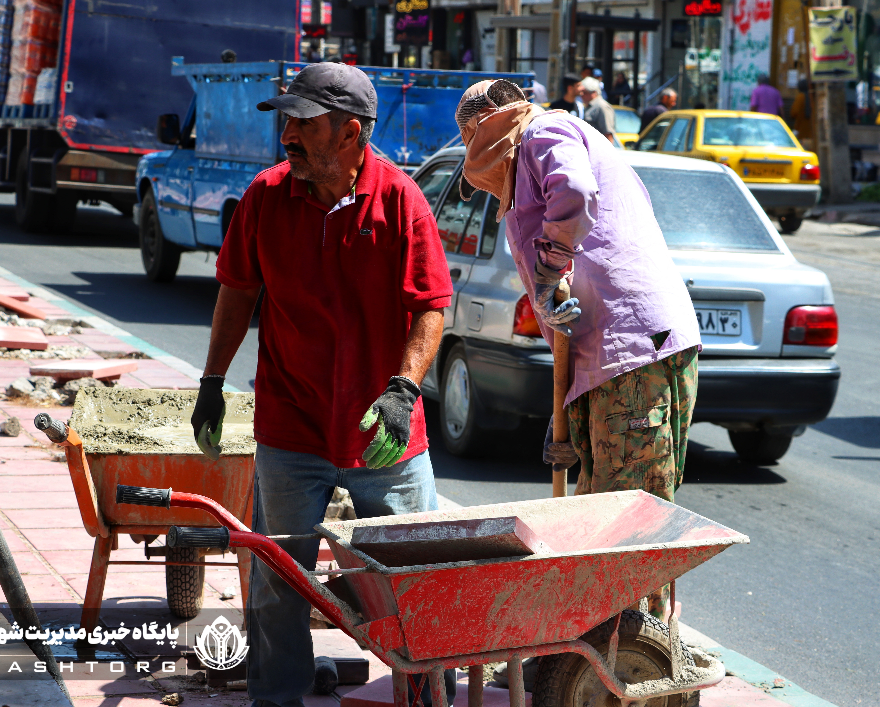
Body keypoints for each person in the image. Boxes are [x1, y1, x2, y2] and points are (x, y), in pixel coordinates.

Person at [191, 62, 454, 707]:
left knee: (410, 579)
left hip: (382, 435)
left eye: (305, 122)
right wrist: (212, 379)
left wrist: (403, 390)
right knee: (280, 575)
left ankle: (424, 697)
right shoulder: (265, 197)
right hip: (291, 423)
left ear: (351, 132)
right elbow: (237, 292)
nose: (289, 135)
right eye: (288, 120)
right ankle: (276, 698)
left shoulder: (400, 201)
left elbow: (431, 306)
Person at [452, 79, 700, 619]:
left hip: (635, 348)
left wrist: (550, 264)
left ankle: (630, 646)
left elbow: (575, 195)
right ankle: (599, 636)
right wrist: (567, 410)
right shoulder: (537, 148)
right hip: (608, 357)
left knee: (626, 517)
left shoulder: (545, 131)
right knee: (600, 507)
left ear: (484, 129)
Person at [579, 77, 617, 143]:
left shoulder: (602, 107)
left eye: (585, 92)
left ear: (594, 92)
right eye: (581, 92)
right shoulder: (588, 106)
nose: (581, 95)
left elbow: (608, 135)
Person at [790, 78, 813, 147]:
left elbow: (794, 113)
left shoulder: (800, 97)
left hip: (801, 132)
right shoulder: (812, 97)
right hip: (812, 132)